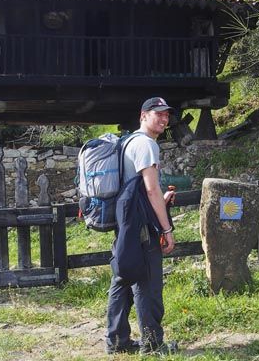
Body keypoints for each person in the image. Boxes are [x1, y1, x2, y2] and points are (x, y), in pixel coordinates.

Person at [105, 97, 178, 355]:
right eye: (157, 113)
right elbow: (150, 188)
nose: (163, 118)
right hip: (141, 225)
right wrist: (166, 228)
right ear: (143, 115)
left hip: (125, 220)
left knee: (123, 277)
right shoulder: (146, 144)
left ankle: (117, 342)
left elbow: (137, 187)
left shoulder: (127, 142)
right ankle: (153, 345)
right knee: (148, 282)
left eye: (166, 115)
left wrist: (159, 198)